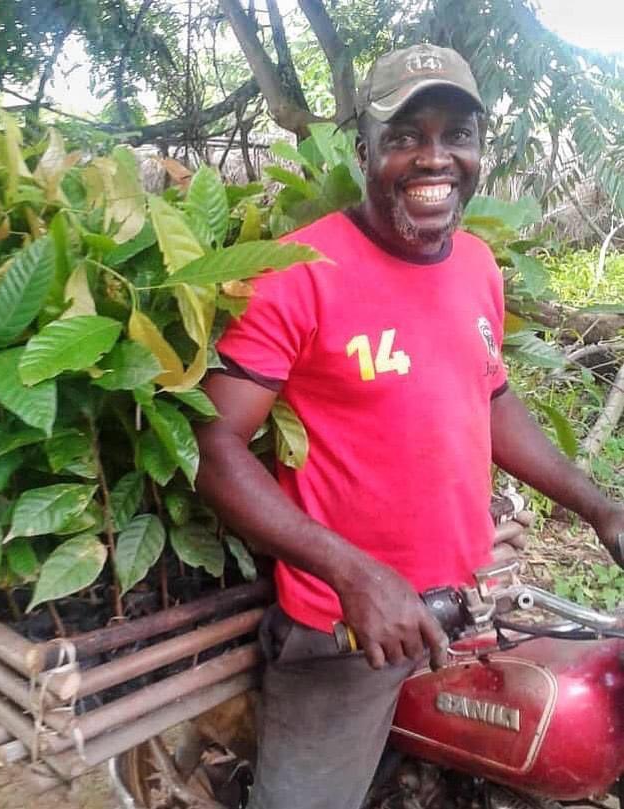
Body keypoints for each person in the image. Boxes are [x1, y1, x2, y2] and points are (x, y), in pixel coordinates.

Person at [194, 43, 624, 809]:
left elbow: (489, 399)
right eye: (405, 136)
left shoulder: (477, 267)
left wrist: (599, 506)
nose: (435, 158)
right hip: (345, 630)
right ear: (364, 149)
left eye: (455, 135)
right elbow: (217, 448)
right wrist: (354, 573)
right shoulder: (298, 271)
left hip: (468, 604)